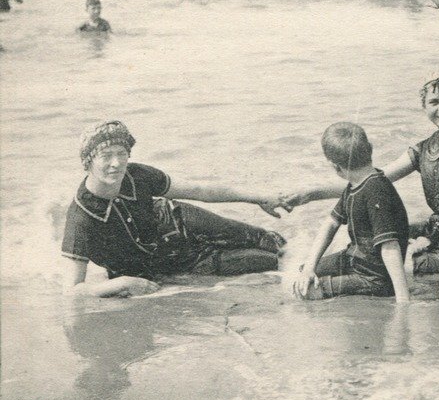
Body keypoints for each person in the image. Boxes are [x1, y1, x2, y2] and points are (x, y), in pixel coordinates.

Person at [284, 71, 439, 275]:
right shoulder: (423, 150)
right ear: (424, 107)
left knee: (404, 268)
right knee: (369, 249)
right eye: (434, 102)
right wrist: (310, 194)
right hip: (436, 231)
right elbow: (371, 181)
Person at [62, 121, 288, 298]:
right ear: (88, 162)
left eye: (122, 153)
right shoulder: (81, 218)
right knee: (267, 262)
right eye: (106, 156)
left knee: (266, 239)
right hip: (165, 262)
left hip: (175, 218)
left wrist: (257, 198)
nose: (116, 163)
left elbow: (199, 190)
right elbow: (73, 291)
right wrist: (120, 283)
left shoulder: (138, 175)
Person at [292, 123, 410, 302]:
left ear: (335, 167)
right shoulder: (355, 185)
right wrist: (309, 267)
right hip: (354, 260)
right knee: (301, 273)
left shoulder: (376, 190)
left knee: (305, 292)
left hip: (374, 278)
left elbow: (389, 246)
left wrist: (403, 299)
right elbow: (331, 223)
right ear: (370, 149)